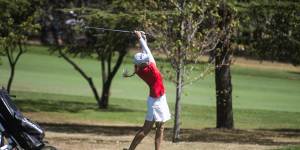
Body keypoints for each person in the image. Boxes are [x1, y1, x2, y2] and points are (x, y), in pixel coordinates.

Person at [123, 31, 171, 150]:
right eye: (146, 60)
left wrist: (144, 38)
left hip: (158, 99)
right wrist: (140, 38)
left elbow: (146, 52)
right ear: (144, 63)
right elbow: (147, 52)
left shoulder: (139, 69)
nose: (147, 60)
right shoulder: (152, 69)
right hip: (156, 102)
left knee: (160, 127)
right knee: (147, 129)